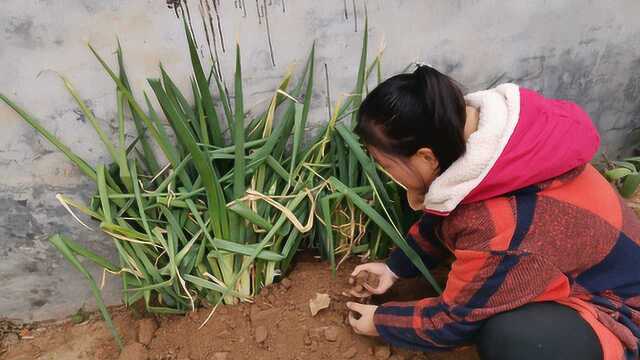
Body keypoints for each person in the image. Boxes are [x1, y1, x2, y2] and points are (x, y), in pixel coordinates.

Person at [344, 65, 640, 360]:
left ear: (426, 157)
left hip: (620, 311)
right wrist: (396, 268)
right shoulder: (498, 141)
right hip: (603, 267)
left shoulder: (499, 222)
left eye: (386, 165)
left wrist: (381, 322)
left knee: (509, 339)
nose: (385, 173)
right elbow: (445, 211)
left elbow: (454, 321)